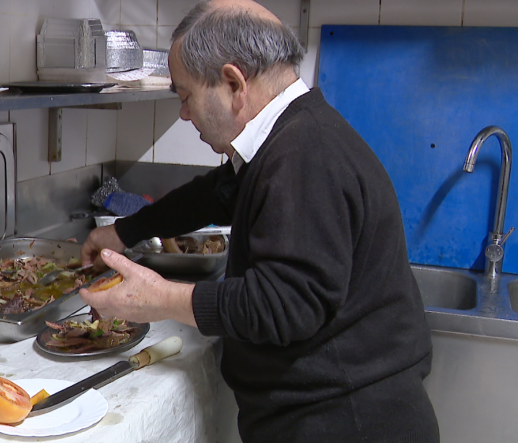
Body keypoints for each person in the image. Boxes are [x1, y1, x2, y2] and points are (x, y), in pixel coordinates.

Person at [78, 0, 440, 442]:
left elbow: (285, 306)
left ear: (233, 83)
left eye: (186, 95)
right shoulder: (290, 136)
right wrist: (123, 230)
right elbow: (217, 193)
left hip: (347, 422)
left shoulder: (305, 154)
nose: (184, 114)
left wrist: (161, 298)